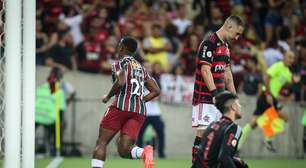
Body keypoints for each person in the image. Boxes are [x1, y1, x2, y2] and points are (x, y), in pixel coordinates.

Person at [91, 37, 160, 168]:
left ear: (122, 48)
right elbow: (156, 90)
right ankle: (143, 152)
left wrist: (108, 96)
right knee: (124, 149)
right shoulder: (141, 68)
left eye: (119, 45)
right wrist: (140, 100)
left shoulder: (119, 63)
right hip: (138, 111)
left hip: (120, 107)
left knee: (102, 142)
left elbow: (121, 81)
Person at [191, 15, 244, 163]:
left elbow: (228, 75)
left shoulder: (225, 47)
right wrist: (215, 94)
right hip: (205, 99)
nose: (237, 37)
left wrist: (235, 99)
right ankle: (196, 166)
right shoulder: (209, 43)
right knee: (202, 134)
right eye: (237, 33)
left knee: (217, 137)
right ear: (229, 27)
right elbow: (205, 70)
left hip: (219, 101)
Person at [238, 50, 296, 152]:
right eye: (289, 57)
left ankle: (237, 145)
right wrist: (268, 94)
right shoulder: (278, 66)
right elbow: (267, 77)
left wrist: (293, 83)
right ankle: (268, 138)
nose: (291, 60)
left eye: (292, 58)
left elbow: (286, 85)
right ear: (284, 57)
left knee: (253, 123)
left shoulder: (287, 73)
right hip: (267, 95)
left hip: (270, 96)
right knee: (285, 116)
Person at [192, 91, 248, 168]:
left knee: (239, 163)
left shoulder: (212, 126)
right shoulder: (233, 128)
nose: (240, 106)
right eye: (238, 103)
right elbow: (224, 157)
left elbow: (202, 156)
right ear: (233, 106)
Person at [137, 61, 166, 158]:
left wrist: (154, 96)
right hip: (143, 112)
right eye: (145, 67)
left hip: (155, 113)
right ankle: (139, 153)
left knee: (161, 133)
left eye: (149, 67)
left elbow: (159, 95)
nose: (147, 69)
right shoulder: (137, 80)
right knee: (139, 134)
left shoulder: (154, 80)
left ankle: (161, 154)